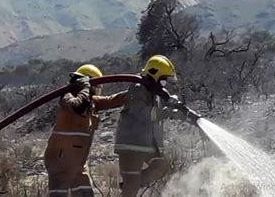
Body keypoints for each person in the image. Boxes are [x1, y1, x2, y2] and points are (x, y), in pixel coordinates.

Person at [44, 64, 127, 197]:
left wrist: (134, 92)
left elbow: (111, 100)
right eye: (96, 87)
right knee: (58, 193)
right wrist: (85, 88)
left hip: (79, 161)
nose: (97, 91)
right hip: (61, 158)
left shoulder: (91, 102)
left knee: (84, 193)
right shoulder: (67, 95)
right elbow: (76, 106)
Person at [114, 55, 187, 197]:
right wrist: (167, 113)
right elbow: (141, 113)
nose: (164, 84)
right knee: (132, 186)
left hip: (146, 144)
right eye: (164, 80)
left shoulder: (155, 92)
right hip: (131, 144)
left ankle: (131, 184)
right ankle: (130, 185)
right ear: (155, 75)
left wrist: (175, 106)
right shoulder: (138, 88)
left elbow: (159, 110)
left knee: (161, 165)